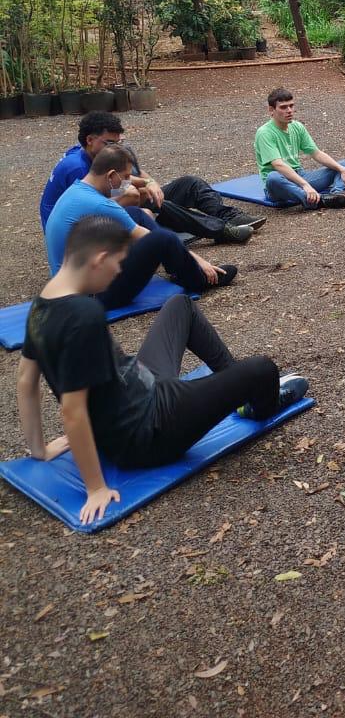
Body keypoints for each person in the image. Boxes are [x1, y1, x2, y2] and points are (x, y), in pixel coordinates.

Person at [16, 215, 308, 525]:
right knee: (262, 369)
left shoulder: (43, 303)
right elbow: (72, 410)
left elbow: (25, 380)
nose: (118, 272)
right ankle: (259, 405)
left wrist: (40, 449)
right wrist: (96, 488)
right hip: (150, 429)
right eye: (117, 263)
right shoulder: (84, 314)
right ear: (99, 260)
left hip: (143, 388)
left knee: (180, 305)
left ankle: (233, 387)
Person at [44, 144, 238, 309]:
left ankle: (177, 267)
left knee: (135, 214)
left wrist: (147, 181)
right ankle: (198, 279)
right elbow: (147, 236)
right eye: (126, 177)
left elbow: (132, 212)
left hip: (71, 283)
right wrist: (201, 262)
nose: (127, 182)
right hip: (92, 295)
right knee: (164, 239)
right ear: (111, 175)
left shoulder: (78, 189)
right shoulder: (101, 204)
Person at [39, 112, 262, 243]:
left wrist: (151, 182)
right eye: (110, 143)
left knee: (188, 184)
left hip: (100, 214)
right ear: (89, 140)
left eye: (119, 142)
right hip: (80, 235)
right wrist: (143, 193)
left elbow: (134, 175)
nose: (116, 147)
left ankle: (227, 215)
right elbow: (111, 202)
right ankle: (220, 230)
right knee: (142, 199)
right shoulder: (76, 167)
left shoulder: (93, 153)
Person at [254, 87, 345, 208]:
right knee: (272, 177)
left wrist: (341, 169)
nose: (289, 110)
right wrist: (305, 185)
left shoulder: (297, 127)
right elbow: (278, 165)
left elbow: (316, 153)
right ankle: (319, 201)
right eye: (283, 107)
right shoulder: (264, 133)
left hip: (299, 176)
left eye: (291, 106)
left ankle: (337, 195)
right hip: (279, 183)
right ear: (271, 110)